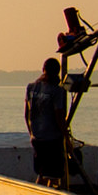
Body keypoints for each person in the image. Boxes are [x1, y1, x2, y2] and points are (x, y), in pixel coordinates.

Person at [21, 56, 71, 186]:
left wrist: (31, 133)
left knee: (42, 173)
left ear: (43, 69)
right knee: (54, 176)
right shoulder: (57, 91)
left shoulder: (31, 88)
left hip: (37, 137)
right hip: (52, 140)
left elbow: (27, 114)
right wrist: (67, 138)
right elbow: (59, 117)